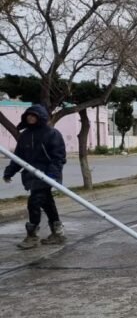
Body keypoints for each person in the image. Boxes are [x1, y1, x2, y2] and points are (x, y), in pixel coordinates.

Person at [3, 104, 67, 249]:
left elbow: (58, 157)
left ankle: (32, 236)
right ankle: (58, 232)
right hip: (31, 177)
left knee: (34, 202)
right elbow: (19, 157)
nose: (30, 118)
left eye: (34, 115)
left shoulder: (52, 134)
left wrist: (51, 174)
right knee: (47, 203)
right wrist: (9, 171)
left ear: (41, 117)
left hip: (47, 175)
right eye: (28, 115)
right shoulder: (24, 136)